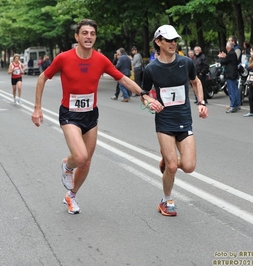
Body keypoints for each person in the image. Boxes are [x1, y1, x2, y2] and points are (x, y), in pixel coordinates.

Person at [31, 18, 163, 215]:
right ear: (77, 36)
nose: (89, 37)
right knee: (80, 156)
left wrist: (143, 95)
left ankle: (71, 195)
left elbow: (123, 78)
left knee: (87, 162)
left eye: (92, 34)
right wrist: (37, 108)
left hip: (91, 115)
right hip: (70, 114)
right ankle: (67, 165)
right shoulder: (64, 58)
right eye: (84, 33)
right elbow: (42, 78)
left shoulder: (101, 60)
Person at [142, 24, 208, 217]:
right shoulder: (151, 68)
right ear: (158, 42)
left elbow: (196, 81)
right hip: (164, 122)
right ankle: (166, 200)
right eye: (168, 40)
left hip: (184, 120)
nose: (173, 43)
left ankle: (167, 158)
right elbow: (144, 94)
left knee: (188, 166)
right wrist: (150, 102)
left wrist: (201, 103)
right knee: (172, 167)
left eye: (175, 40)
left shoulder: (186, 63)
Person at [218, 42, 240, 113]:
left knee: (231, 91)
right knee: (235, 90)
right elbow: (227, 59)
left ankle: (233, 106)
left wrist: (221, 57)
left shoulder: (230, 54)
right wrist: (225, 56)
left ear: (228, 48)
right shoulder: (233, 53)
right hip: (234, 73)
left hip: (230, 74)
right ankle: (236, 104)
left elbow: (224, 62)